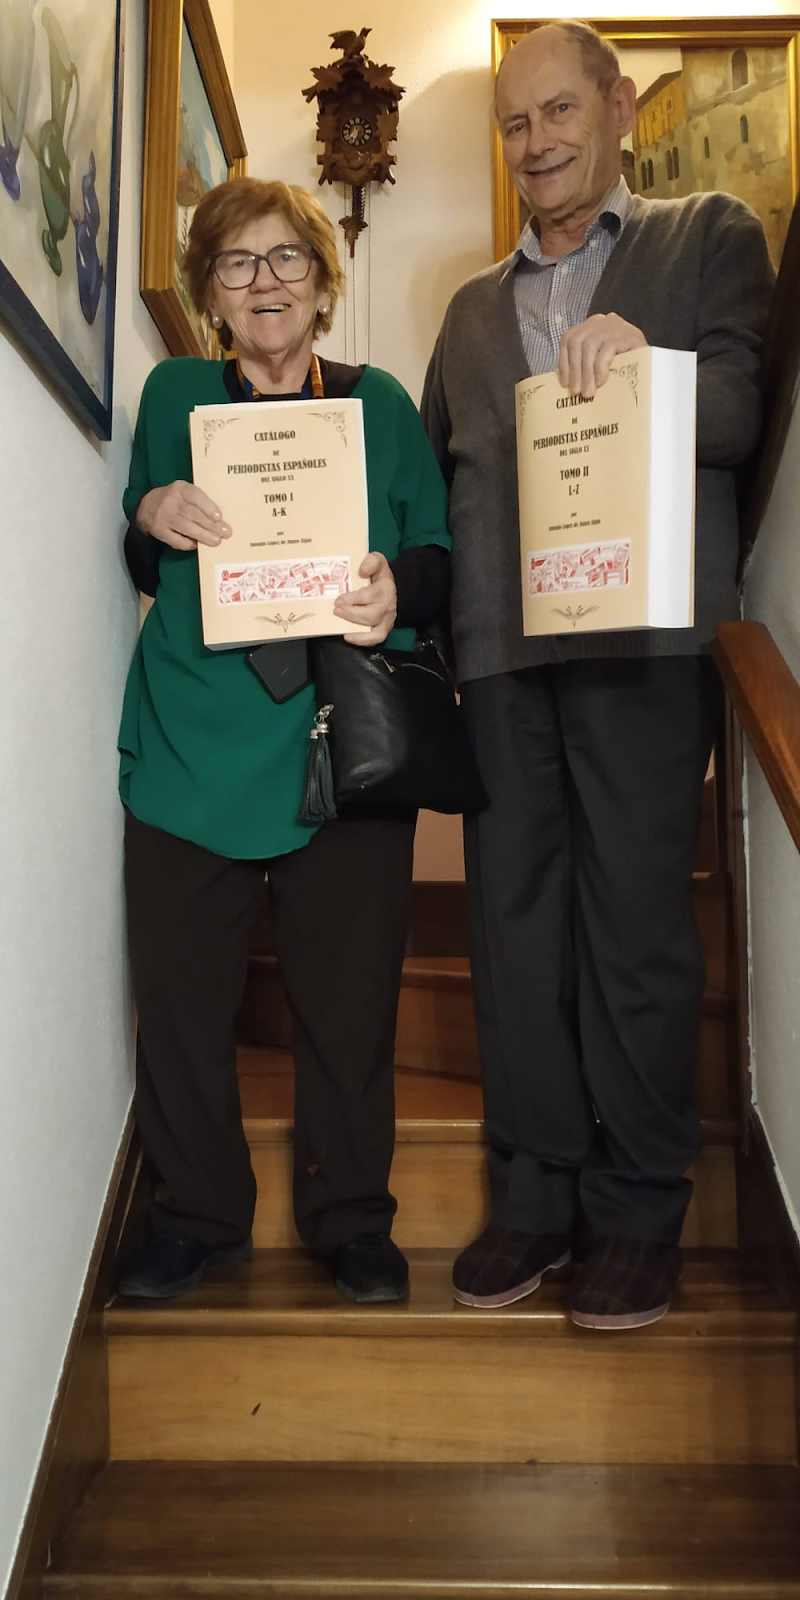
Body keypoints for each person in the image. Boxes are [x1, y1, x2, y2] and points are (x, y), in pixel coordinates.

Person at [421, 21, 774, 1329]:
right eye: (515, 123)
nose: (537, 142)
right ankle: (533, 1197)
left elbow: (738, 415)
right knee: (514, 940)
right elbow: (434, 480)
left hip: (642, 649)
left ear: (620, 107)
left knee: (634, 932)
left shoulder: (708, 235)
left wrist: (647, 372)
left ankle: (634, 1210)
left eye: (559, 111)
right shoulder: (469, 311)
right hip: (502, 660)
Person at [117, 177, 451, 1303]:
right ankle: (197, 1213)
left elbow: (438, 558)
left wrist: (392, 588)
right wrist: (148, 514)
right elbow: (140, 550)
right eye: (236, 262)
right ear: (209, 292)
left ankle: (351, 1216)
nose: (264, 281)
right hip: (191, 739)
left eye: (286, 258)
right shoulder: (172, 393)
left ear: (321, 280)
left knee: (350, 1001)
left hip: (339, 737)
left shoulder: (380, 403)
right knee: (179, 1000)